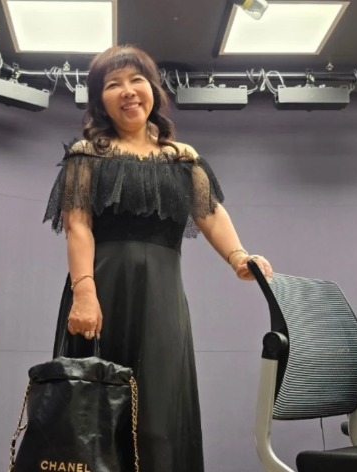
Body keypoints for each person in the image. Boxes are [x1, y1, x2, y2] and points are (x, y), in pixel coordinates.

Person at [43, 45, 274, 472]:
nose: (128, 91)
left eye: (137, 80)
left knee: (160, 411)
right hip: (102, 291)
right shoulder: (85, 154)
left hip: (163, 299)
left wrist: (239, 257)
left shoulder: (183, 158)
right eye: (113, 84)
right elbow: (78, 226)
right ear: (100, 99)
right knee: (95, 411)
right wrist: (84, 293)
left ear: (153, 90)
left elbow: (210, 214)